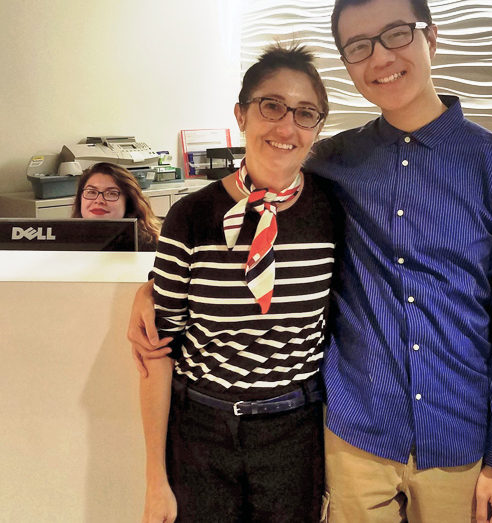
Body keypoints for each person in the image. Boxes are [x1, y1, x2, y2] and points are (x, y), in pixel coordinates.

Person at [128, 1, 492, 521]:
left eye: (396, 34)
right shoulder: (334, 161)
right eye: (359, 46)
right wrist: (151, 288)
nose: (380, 57)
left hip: (458, 438)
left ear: (431, 38)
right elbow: (263, 182)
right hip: (356, 437)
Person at [139, 44, 335, 523]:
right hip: (201, 432)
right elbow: (157, 353)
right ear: (241, 114)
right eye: (271, 106)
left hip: (295, 435)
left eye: (305, 113)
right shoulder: (191, 216)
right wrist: (155, 479)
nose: (286, 127)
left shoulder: (332, 212)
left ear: (317, 128)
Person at [72, 161, 161, 251]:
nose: (99, 201)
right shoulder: (69, 240)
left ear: (128, 202)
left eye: (111, 193)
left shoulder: (149, 247)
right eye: (91, 192)